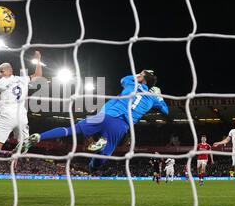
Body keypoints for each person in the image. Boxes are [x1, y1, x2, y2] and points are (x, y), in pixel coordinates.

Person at [15, 70, 169, 173]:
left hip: (104, 115)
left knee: (70, 130)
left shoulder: (131, 83)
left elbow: (123, 79)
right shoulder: (152, 99)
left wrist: (137, 76)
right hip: (121, 125)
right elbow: (166, 112)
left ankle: (39, 137)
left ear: (142, 79)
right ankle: (100, 150)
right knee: (100, 160)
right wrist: (159, 97)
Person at [0, 51, 43, 198]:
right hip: (22, 115)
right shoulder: (23, 79)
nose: (0, 74)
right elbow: (38, 75)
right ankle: (16, 153)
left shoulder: (3, 81)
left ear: (9, 70)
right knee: (24, 145)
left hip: (7, 115)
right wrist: (38, 60)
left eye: (1, 71)